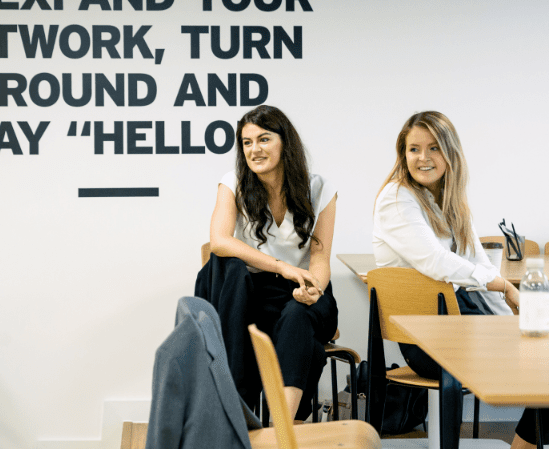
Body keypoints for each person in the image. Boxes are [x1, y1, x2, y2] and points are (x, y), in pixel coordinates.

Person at [373, 110, 545, 449]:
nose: (423, 157)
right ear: (403, 154)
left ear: (451, 153)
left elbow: (480, 265)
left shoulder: (450, 202)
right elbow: (437, 262)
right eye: (413, 149)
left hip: (459, 326)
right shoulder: (396, 198)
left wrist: (511, 322)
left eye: (434, 147)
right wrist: (506, 288)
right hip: (427, 339)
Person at [197, 105, 338, 422]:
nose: (254, 149)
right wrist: (281, 267)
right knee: (309, 345)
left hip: (303, 289)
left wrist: (314, 288)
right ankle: (287, 429)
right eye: (246, 142)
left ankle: (274, 429)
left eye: (263, 139)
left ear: (285, 142)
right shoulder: (233, 182)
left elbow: (320, 257)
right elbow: (219, 241)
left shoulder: (320, 189)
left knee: (299, 312)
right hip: (253, 295)